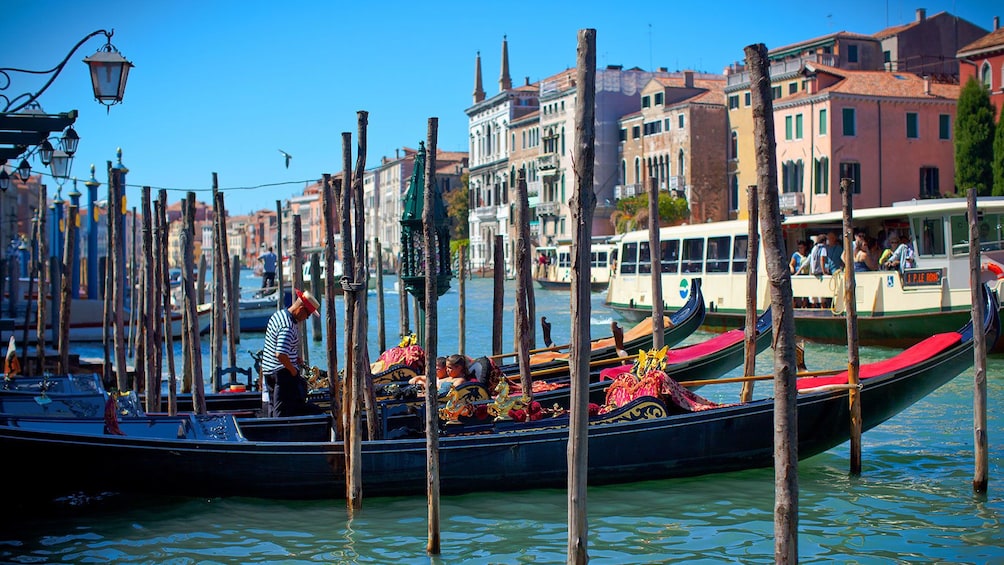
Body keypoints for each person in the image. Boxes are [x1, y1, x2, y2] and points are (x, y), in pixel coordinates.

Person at [261, 288, 322, 417]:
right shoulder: (287, 327)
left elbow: (278, 347)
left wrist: (295, 358)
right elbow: (281, 354)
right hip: (281, 373)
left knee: (273, 407)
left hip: (269, 371)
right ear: (301, 309)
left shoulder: (279, 315)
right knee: (282, 411)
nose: (306, 318)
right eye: (308, 314)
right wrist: (293, 371)